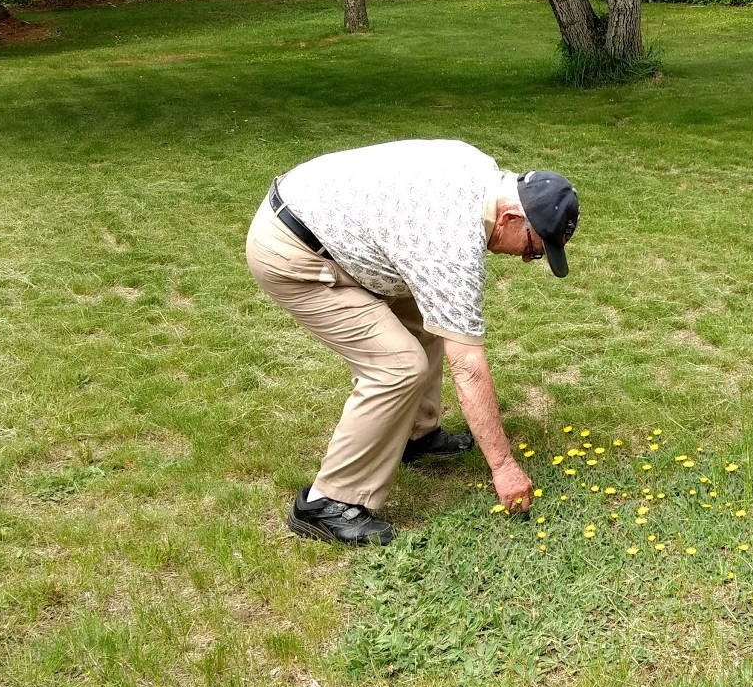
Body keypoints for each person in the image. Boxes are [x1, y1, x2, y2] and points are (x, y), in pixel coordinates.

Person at [246, 139, 579, 545]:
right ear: (510, 217)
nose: (529, 259)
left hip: (328, 222)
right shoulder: (453, 241)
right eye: (534, 247)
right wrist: (504, 465)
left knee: (429, 321)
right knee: (397, 366)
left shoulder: (481, 173)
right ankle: (325, 503)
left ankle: (416, 435)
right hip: (294, 248)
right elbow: (469, 368)